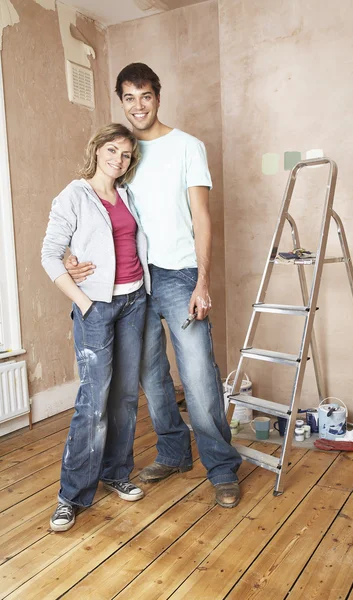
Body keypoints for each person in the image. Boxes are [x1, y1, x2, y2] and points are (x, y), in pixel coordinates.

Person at [66, 64, 242, 508]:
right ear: (120, 102)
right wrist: (69, 254)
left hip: (181, 274)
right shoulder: (122, 154)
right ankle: (174, 453)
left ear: (157, 97)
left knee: (199, 377)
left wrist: (203, 281)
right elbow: (97, 209)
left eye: (145, 96)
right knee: (151, 377)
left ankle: (221, 467)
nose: (137, 106)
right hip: (135, 283)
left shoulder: (187, 147)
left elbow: (201, 216)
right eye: (128, 98)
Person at [42, 123, 150, 531]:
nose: (118, 159)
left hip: (134, 300)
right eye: (112, 150)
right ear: (97, 149)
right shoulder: (74, 195)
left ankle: (116, 471)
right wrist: (83, 301)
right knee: (94, 401)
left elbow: (130, 244)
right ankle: (72, 494)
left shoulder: (127, 194)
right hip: (97, 308)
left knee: (124, 397)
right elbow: (50, 255)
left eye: (125, 155)